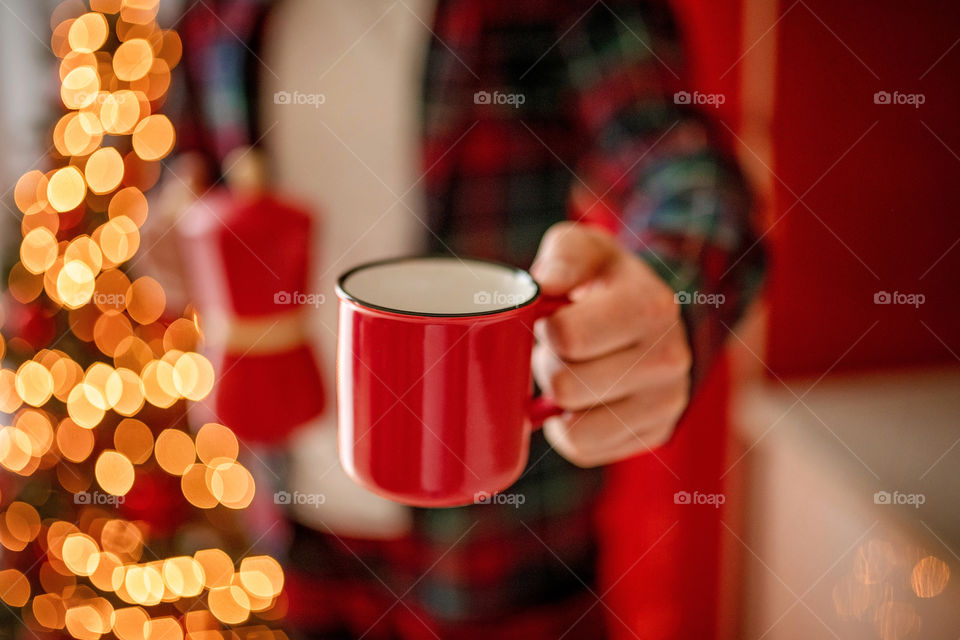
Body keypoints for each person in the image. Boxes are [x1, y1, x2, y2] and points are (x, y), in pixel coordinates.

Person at [152, 0, 765, 637]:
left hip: (506, 551)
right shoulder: (206, 13)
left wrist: (670, 289)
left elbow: (682, 167)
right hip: (291, 522)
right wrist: (170, 226)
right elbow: (191, 170)